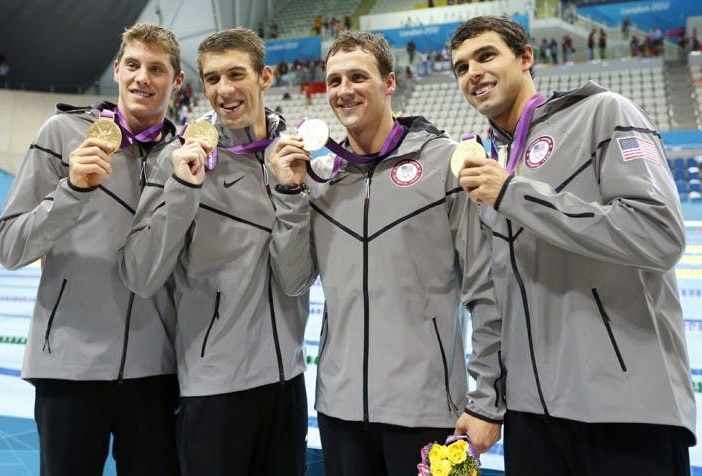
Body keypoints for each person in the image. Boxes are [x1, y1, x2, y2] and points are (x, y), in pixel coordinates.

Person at [449, 15, 696, 475]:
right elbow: (493, 298)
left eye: (485, 56)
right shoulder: (491, 161)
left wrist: (514, 194)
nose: (473, 73)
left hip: (624, 410)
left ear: (526, 58)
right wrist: (488, 400)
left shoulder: (605, 112)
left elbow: (659, 232)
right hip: (531, 419)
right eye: (461, 68)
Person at [269, 31, 503, 475]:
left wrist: (488, 400)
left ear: (389, 82)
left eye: (358, 77)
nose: (344, 90)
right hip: (339, 412)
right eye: (334, 80)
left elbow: (485, 288)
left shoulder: (446, 165)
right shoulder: (319, 177)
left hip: (431, 413)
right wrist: (289, 192)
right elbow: (293, 278)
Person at [0, 23, 184, 475]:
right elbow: (8, 246)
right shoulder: (62, 134)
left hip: (156, 373)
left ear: (176, 82)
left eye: (157, 69)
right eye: (133, 65)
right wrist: (72, 190)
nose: (142, 78)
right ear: (116, 70)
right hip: (69, 369)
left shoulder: (185, 155)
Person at [119, 28, 309, 476]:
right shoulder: (180, 157)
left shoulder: (295, 155)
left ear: (265, 77)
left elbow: (298, 278)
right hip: (214, 386)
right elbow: (140, 275)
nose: (224, 90)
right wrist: (183, 188)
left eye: (236, 74)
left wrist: (289, 190)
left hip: (288, 381)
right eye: (212, 78)